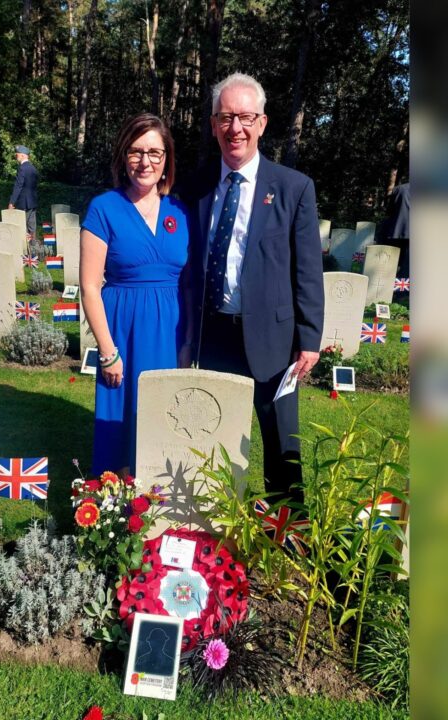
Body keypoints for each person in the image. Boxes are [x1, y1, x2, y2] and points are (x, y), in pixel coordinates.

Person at [179, 73, 324, 503]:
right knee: (212, 436)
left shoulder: (293, 188)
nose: (235, 128)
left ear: (262, 123)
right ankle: (217, 526)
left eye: (245, 117)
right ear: (212, 125)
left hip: (275, 341)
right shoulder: (196, 186)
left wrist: (310, 339)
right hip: (215, 336)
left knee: (282, 444)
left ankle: (288, 529)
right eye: (226, 118)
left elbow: (308, 269)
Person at [81, 113, 193, 476]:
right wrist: (107, 350)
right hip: (121, 330)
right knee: (120, 417)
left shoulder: (181, 211)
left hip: (169, 332)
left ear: (166, 161)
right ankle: (113, 512)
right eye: (136, 151)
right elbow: (89, 286)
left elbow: (191, 283)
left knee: (164, 419)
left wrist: (188, 346)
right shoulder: (103, 208)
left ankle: (159, 507)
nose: (145, 161)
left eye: (155, 153)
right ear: (123, 157)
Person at [8, 145, 39, 243]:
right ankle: (33, 247)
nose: (16, 156)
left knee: (21, 226)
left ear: (22, 155)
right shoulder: (33, 168)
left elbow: (18, 186)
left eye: (17, 154)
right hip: (32, 201)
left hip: (24, 202)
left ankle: (24, 249)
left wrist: (11, 202)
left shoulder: (22, 168)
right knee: (32, 225)